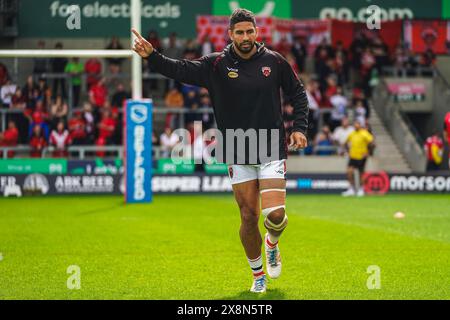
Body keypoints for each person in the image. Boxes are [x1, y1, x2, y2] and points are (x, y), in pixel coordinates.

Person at [132, 8, 309, 293]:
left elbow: (298, 93)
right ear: (231, 35)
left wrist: (299, 127)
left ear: (256, 32)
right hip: (236, 145)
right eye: (239, 32)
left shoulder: (274, 62)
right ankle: (257, 276)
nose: (245, 37)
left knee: (275, 215)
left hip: (270, 144)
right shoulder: (215, 65)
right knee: (249, 217)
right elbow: (180, 69)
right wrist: (152, 55)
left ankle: (272, 243)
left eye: (249, 31)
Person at [342, 120, 374, 197]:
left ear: (360, 125)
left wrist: (368, 152)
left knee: (361, 174)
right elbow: (345, 143)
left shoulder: (364, 133)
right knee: (349, 171)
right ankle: (351, 189)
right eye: (355, 124)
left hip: (361, 156)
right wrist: (348, 151)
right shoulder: (352, 134)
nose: (356, 125)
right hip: (353, 156)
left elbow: (372, 143)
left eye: (357, 124)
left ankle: (361, 189)